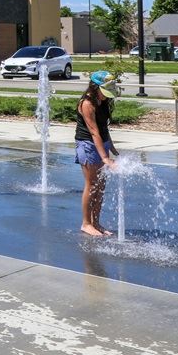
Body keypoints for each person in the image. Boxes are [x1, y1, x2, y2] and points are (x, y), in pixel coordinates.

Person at [77, 70, 120, 237]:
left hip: (102, 144)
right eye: (105, 91)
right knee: (92, 184)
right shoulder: (87, 104)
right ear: (95, 87)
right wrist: (104, 157)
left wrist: (112, 148)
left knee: (101, 186)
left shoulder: (103, 100)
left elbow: (103, 128)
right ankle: (86, 223)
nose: (107, 96)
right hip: (88, 145)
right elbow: (94, 132)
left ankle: (96, 222)